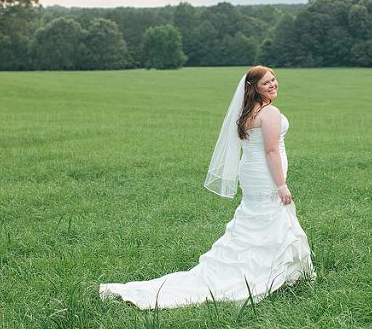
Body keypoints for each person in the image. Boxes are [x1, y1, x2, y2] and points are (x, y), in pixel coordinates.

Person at [99, 65, 315, 309]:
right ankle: (268, 271)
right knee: (269, 215)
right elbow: (272, 150)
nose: (273, 85)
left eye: (274, 80)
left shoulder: (247, 112)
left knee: (257, 215)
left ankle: (274, 268)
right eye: (266, 83)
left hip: (252, 172)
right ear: (254, 88)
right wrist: (282, 185)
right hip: (265, 174)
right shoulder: (270, 112)